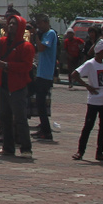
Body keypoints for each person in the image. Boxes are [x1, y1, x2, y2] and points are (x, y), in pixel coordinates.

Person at [0, 14, 35, 158]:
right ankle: (8, 147)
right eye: (9, 24)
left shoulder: (26, 46)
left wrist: (7, 65)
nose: (11, 26)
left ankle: (26, 148)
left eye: (14, 24)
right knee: (4, 116)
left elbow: (26, 66)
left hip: (18, 85)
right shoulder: (3, 41)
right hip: (3, 83)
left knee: (20, 118)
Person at [69, 38, 103, 162]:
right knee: (88, 126)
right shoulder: (90, 64)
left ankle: (100, 152)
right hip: (94, 100)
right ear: (99, 51)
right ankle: (80, 151)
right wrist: (87, 86)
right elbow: (74, 74)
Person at [30, 14, 58, 142]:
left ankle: (46, 131)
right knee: (39, 102)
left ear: (46, 22)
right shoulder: (46, 34)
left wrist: (35, 35)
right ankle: (43, 127)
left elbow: (41, 47)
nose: (39, 26)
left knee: (41, 103)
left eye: (40, 23)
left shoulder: (50, 34)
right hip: (41, 72)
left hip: (46, 74)